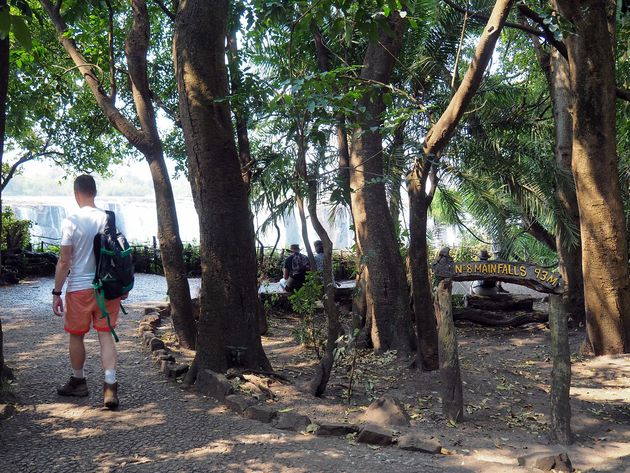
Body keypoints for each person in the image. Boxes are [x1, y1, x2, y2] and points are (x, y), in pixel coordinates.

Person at [52, 175, 124, 409]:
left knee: (76, 335)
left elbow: (64, 261)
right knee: (105, 335)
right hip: (107, 289)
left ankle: (78, 381)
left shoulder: (71, 221)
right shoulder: (108, 219)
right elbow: (119, 254)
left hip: (79, 289)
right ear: (94, 192)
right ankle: (110, 387)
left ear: (76, 194)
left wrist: (56, 291)